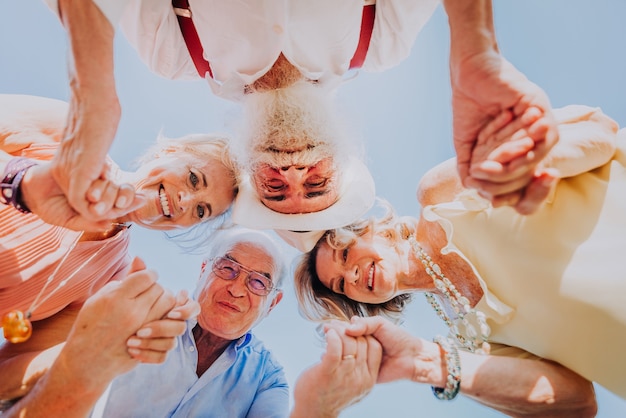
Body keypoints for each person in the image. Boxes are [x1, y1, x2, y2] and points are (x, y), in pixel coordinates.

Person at [40, 0, 557, 233]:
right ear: (344, 157)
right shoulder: (380, 39)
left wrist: (92, 97)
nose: (291, 174)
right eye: (315, 187)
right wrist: (476, 51)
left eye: (275, 190)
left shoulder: (175, 50)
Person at [293, 104, 624, 415]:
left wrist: (529, 165)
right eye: (340, 284)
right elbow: (577, 403)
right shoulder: (470, 343)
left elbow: (598, 131)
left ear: (372, 229)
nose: (350, 276)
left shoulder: (440, 195)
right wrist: (428, 364)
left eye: (346, 253)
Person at [0, 94, 236, 403]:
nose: (186, 202)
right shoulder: (69, 133)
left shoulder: (111, 282)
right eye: (193, 178)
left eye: (202, 211)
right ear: (170, 151)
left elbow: (6, 376)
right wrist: (21, 180)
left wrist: (104, 343)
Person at [94, 227, 382, 418]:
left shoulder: (268, 381)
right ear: (204, 270)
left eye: (258, 282)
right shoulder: (144, 315)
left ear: (273, 303)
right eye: (228, 268)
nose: (237, 289)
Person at [2, 256, 196, 417]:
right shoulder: (114, 281)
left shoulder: (117, 278)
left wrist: (90, 350)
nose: (181, 207)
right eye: (225, 266)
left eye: (201, 210)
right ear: (204, 267)